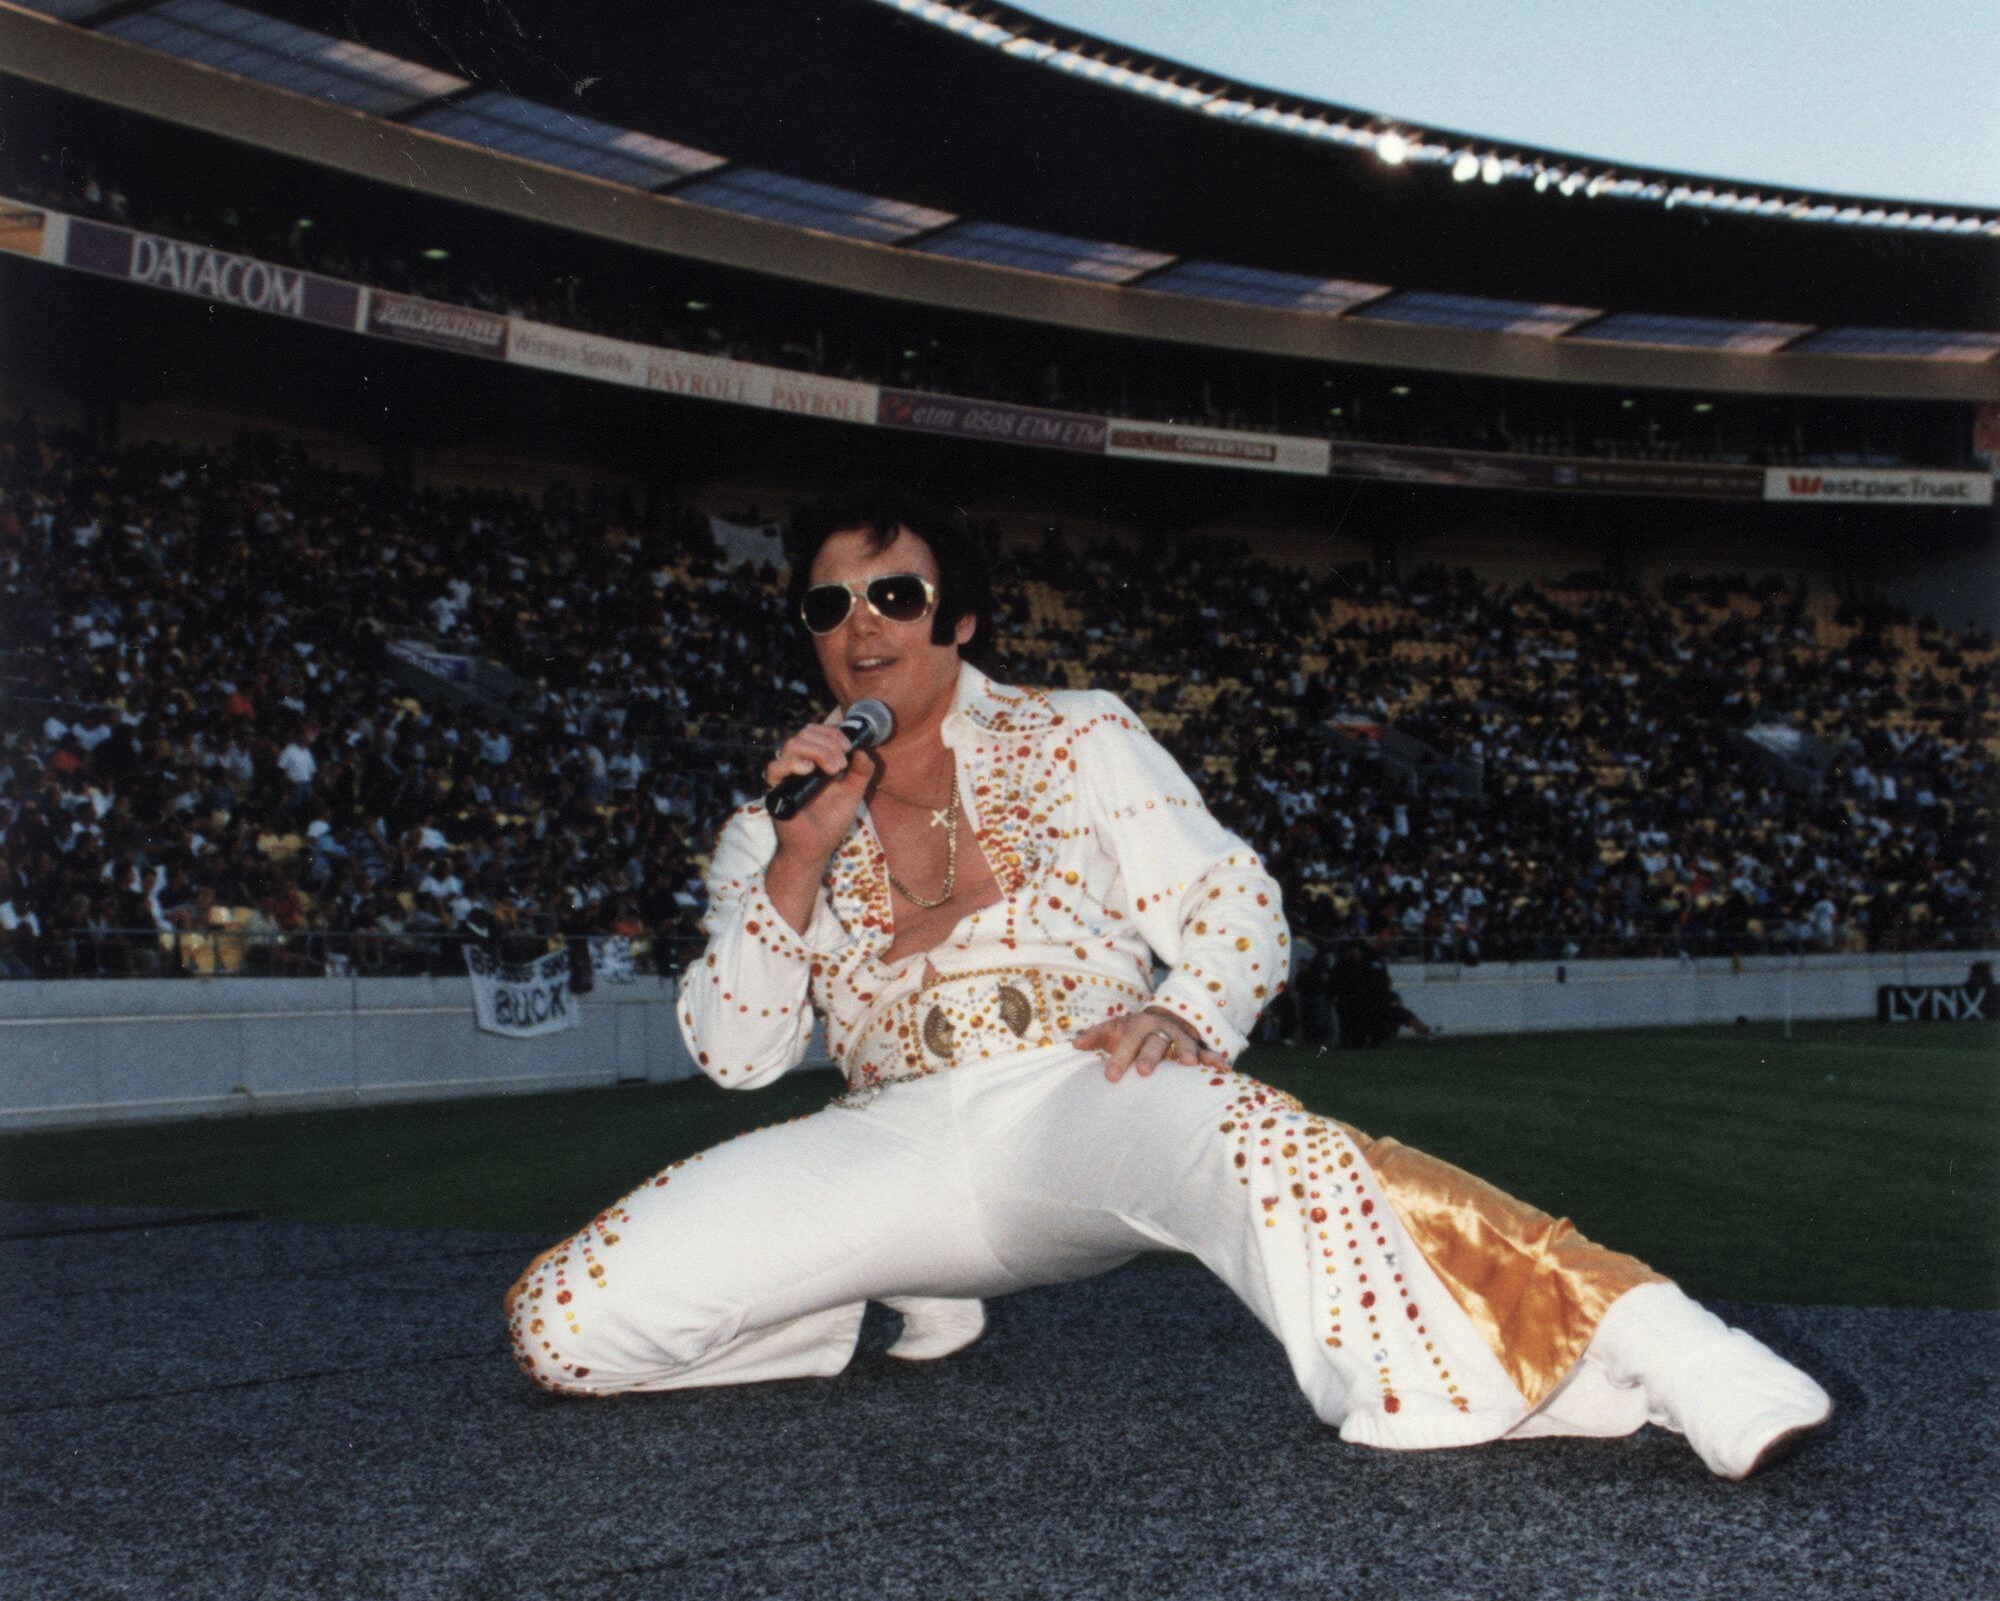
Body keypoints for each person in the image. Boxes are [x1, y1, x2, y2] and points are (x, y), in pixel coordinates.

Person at [508, 486, 1829, 1480]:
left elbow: (1231, 897)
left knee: (1259, 1139)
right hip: (887, 1138)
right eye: (829, 605)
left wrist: (1187, 1010)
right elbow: (734, 1055)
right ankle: (845, 1290)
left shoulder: (1080, 731)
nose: (862, 629)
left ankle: (1650, 1342)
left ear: (957, 618)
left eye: (894, 596)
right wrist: (798, 857)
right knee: (562, 1327)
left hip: (1084, 1089)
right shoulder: (772, 822)